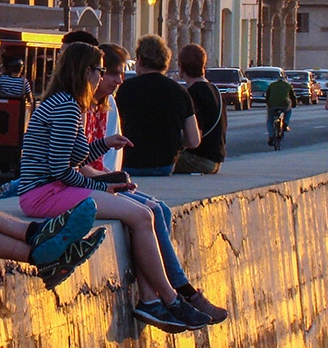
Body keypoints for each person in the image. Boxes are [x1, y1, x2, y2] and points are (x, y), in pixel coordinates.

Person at [17, 42, 212, 333]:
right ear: (85, 72)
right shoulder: (68, 107)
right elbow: (59, 170)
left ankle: (154, 300)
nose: (100, 77)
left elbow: (72, 157)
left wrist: (104, 144)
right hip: (44, 193)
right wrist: (100, 187)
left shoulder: (65, 102)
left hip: (53, 188)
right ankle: (169, 299)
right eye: (98, 70)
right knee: (141, 216)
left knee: (145, 211)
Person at [80, 43, 228, 323]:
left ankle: (154, 298)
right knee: (147, 213)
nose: (119, 80)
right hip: (120, 175)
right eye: (111, 74)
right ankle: (178, 293)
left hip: (115, 173)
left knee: (160, 210)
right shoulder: (178, 91)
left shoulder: (114, 99)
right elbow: (194, 140)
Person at [115, 35, 201, 176]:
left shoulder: (126, 89)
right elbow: (193, 140)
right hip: (164, 165)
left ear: (141, 60)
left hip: (130, 163)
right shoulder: (180, 92)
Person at [174, 44, 226, 175]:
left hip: (199, 160)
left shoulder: (193, 94)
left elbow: (194, 138)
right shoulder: (215, 90)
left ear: (181, 67)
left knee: (154, 161)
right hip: (215, 160)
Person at [265, 73, 297, 147]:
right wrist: (294, 104)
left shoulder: (272, 85)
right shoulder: (288, 85)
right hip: (284, 104)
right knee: (289, 111)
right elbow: (292, 97)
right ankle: (285, 123)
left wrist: (268, 104)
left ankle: (271, 135)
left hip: (272, 105)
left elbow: (267, 97)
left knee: (270, 120)